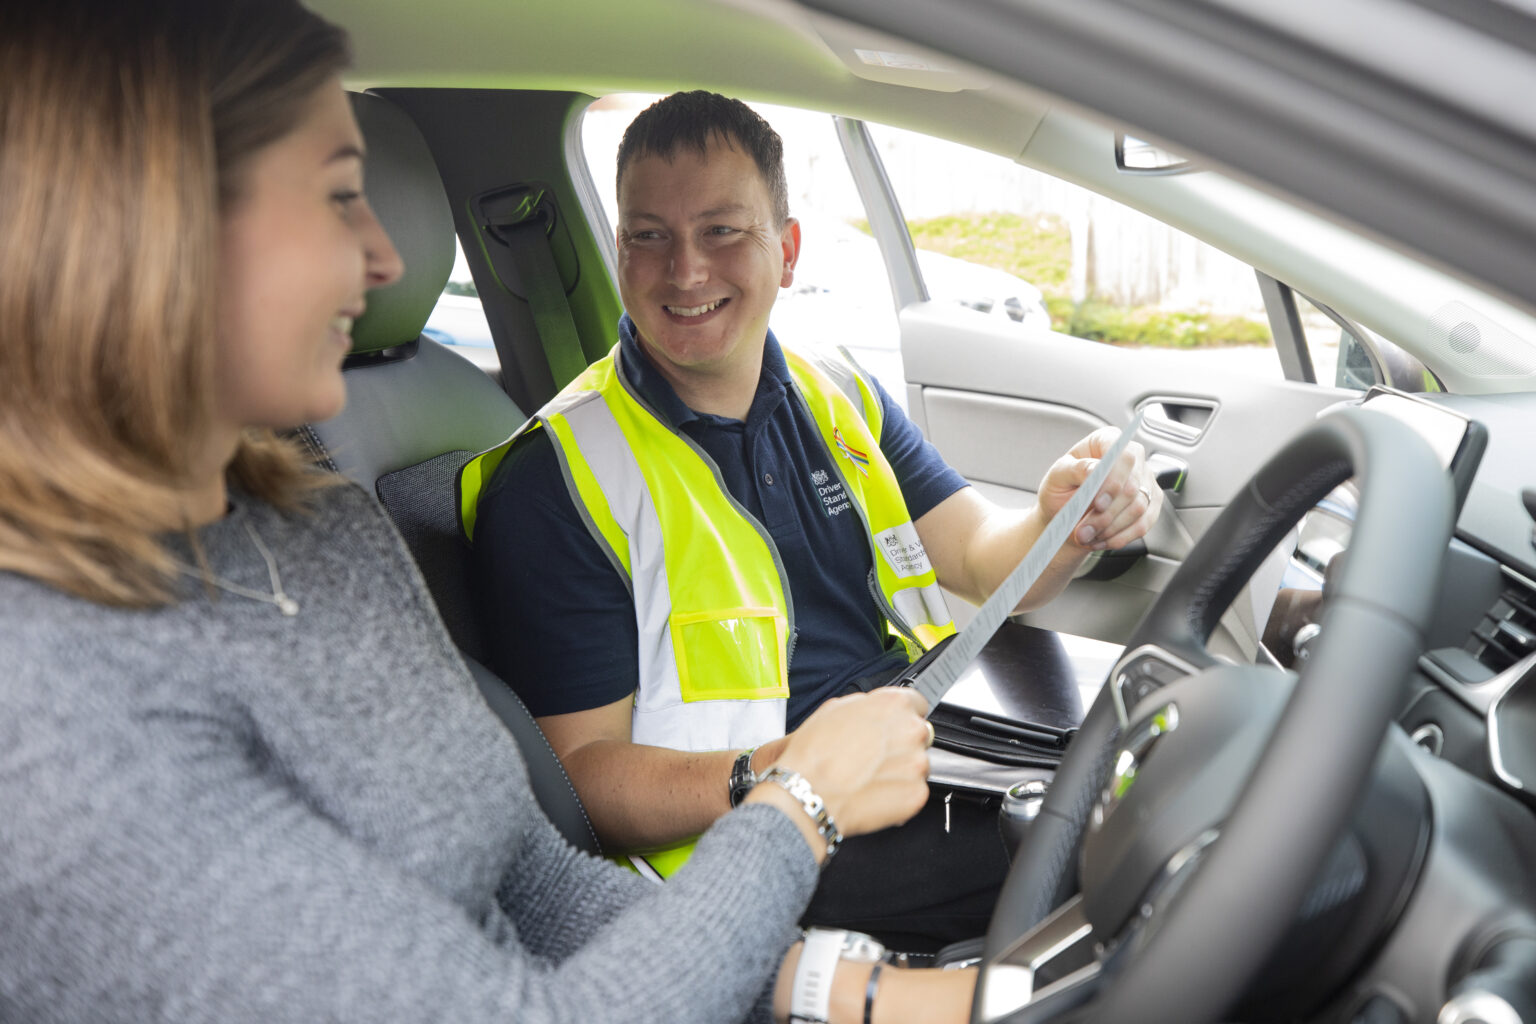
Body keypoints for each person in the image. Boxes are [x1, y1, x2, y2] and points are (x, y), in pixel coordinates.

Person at [0, 4, 976, 1022]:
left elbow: (538, 883)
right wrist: (798, 800)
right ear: (147, 227)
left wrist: (894, 995)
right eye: (341, 198)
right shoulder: (47, 712)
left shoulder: (321, 533)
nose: (386, 259)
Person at [467, 91, 1162, 947]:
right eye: (649, 236)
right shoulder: (557, 481)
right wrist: (793, 772)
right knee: (1139, 838)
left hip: (915, 738)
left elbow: (985, 560)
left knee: (1171, 747)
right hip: (757, 843)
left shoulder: (840, 395)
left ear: (787, 251)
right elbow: (581, 783)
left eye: (723, 230)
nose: (685, 271)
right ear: (618, 252)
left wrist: (1060, 519)